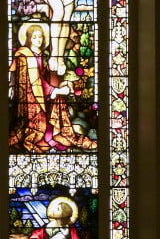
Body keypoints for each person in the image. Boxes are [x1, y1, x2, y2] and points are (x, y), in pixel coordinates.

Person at [8, 22, 95, 153]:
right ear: (28, 38)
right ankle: (42, 134)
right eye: (34, 37)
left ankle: (56, 132)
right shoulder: (24, 56)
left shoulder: (43, 55)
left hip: (43, 91)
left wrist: (62, 84)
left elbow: (46, 75)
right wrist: (54, 90)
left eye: (40, 37)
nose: (38, 40)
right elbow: (33, 80)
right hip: (31, 95)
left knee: (59, 97)